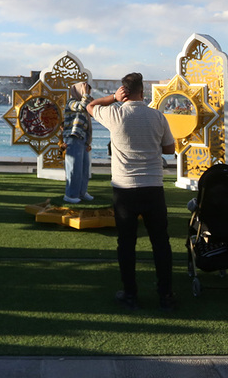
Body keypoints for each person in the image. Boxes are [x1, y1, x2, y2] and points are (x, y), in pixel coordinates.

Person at [87, 72, 176, 311]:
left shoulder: (115, 114)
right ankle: (166, 296)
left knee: (126, 244)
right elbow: (169, 149)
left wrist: (112, 98)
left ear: (123, 91)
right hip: (153, 187)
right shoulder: (157, 116)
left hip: (125, 189)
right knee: (160, 243)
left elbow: (90, 106)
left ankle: (130, 295)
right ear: (142, 91)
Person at [62, 81, 94, 203]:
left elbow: (90, 110)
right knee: (74, 167)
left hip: (82, 137)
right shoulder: (71, 102)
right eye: (85, 90)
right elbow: (82, 107)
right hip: (73, 137)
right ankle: (70, 195)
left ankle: (81, 192)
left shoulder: (85, 102)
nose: (87, 93)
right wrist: (85, 95)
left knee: (84, 168)